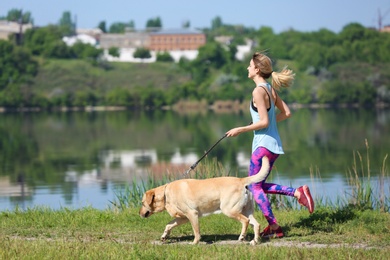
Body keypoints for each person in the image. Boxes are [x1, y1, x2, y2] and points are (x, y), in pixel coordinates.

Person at [225, 51, 314, 239]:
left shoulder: (258, 91)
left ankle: (274, 226)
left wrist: (241, 129)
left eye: (250, 65)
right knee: (257, 185)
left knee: (254, 186)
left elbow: (264, 122)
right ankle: (297, 193)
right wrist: (262, 123)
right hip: (274, 145)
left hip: (262, 146)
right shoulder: (270, 89)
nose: (247, 68)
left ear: (257, 69)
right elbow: (286, 113)